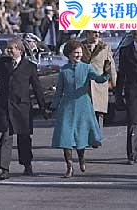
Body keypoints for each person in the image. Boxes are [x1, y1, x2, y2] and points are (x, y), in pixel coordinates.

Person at [0, 37, 49, 180]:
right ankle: (4, 169)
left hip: (22, 108)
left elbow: (37, 88)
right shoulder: (3, 63)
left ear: (19, 50)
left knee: (24, 138)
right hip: (5, 108)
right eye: (8, 48)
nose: (8, 50)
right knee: (5, 138)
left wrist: (43, 107)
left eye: (11, 48)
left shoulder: (30, 66)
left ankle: (27, 165)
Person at [49, 40, 110, 178]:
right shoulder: (64, 70)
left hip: (83, 106)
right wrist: (53, 107)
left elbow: (98, 79)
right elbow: (59, 91)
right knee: (66, 138)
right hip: (67, 107)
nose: (78, 55)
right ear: (69, 54)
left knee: (81, 137)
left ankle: (81, 158)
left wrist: (105, 73)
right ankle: (69, 167)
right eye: (76, 52)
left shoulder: (87, 67)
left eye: (80, 53)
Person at [81, 30, 117, 147]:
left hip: (99, 83)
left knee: (98, 112)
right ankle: (86, 138)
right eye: (94, 32)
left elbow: (110, 65)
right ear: (87, 34)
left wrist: (114, 82)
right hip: (84, 85)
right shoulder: (80, 47)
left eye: (98, 33)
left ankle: (96, 137)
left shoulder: (104, 47)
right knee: (85, 112)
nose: (97, 35)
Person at [115, 30, 137, 165]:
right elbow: (122, 75)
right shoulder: (125, 51)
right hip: (133, 91)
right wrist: (118, 95)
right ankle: (132, 155)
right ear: (136, 35)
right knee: (133, 122)